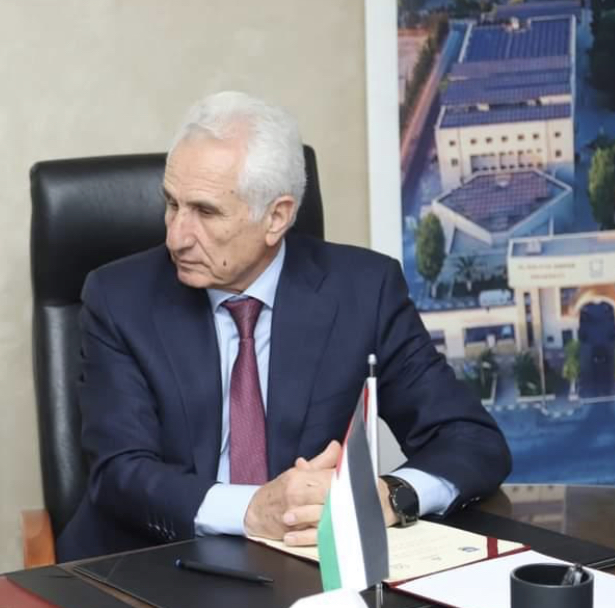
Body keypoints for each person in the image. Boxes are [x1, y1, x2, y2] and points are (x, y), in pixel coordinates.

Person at [57, 91, 512, 561]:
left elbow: (471, 441)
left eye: (206, 212)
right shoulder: (119, 298)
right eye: (171, 204)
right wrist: (252, 509)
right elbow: (121, 474)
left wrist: (387, 496)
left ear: (276, 217)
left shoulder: (364, 291)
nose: (176, 237)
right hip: (152, 565)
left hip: (303, 567)